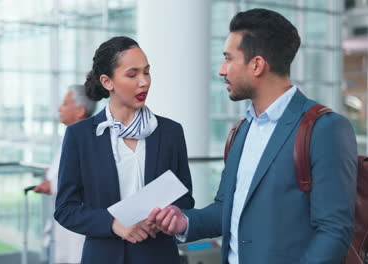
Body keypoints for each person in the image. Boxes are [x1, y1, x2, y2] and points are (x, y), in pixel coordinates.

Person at [148, 8, 358, 264]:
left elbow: (334, 231)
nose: (221, 70)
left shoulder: (324, 128)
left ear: (257, 65)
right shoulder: (241, 130)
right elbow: (227, 208)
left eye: (228, 58)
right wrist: (185, 221)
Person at [54, 36, 195, 264]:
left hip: (158, 256)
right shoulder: (80, 136)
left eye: (146, 72)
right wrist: (114, 223)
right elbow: (65, 210)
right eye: (132, 74)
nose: (144, 82)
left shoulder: (170, 132)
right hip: (103, 256)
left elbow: (185, 198)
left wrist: (163, 217)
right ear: (107, 82)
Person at [33, 84, 96, 264]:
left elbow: (85, 177)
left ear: (80, 111)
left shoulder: (86, 139)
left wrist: (51, 185)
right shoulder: (71, 137)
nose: (60, 108)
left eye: (65, 103)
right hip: (65, 220)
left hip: (77, 223)